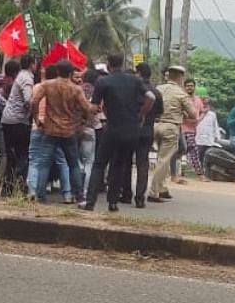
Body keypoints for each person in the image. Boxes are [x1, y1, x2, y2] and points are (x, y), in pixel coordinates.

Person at [84, 53, 155, 212]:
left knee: (99, 164)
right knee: (120, 164)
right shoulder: (135, 80)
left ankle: (90, 201)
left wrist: (95, 110)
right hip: (131, 129)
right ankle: (113, 202)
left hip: (113, 127)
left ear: (108, 64)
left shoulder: (103, 82)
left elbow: (94, 107)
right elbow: (150, 97)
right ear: (122, 63)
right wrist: (141, 114)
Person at [27, 60, 90, 203]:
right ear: (70, 73)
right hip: (69, 130)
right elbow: (86, 108)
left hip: (50, 129)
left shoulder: (47, 85)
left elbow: (34, 102)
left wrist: (37, 118)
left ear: (57, 72)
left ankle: (40, 195)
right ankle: (79, 196)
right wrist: (82, 123)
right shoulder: (76, 89)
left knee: (44, 163)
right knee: (72, 164)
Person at [150, 65, 196, 201]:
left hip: (156, 125)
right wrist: (183, 113)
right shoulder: (181, 93)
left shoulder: (158, 88)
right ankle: (153, 192)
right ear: (180, 78)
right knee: (164, 160)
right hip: (171, 127)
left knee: (161, 157)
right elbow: (193, 114)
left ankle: (162, 188)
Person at [0, 55, 37, 189]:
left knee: (11, 154)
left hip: (8, 119)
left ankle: (7, 186)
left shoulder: (20, 75)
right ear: (32, 64)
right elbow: (28, 100)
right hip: (18, 121)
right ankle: (19, 185)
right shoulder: (27, 78)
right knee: (23, 154)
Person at [133, 63, 163, 206]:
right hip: (148, 130)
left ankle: (125, 193)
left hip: (132, 128)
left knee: (125, 161)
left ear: (138, 73)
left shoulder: (133, 90)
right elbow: (159, 113)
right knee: (143, 163)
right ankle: (140, 198)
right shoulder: (156, 92)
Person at [76, 68, 100, 191]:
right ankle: (85, 190)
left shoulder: (77, 89)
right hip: (90, 128)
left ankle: (75, 184)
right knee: (89, 161)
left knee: (76, 158)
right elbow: (97, 109)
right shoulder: (96, 92)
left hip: (75, 128)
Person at [182, 84, 209, 178]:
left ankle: (199, 173)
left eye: (191, 86)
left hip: (192, 130)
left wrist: (198, 120)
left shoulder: (198, 100)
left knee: (192, 150)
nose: (189, 88)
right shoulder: (182, 98)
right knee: (188, 149)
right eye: (187, 86)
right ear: (184, 87)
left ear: (194, 87)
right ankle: (199, 174)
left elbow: (202, 113)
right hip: (181, 129)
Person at [193, 96, 219, 180]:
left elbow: (215, 126)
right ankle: (200, 174)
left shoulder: (212, 115)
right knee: (199, 156)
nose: (205, 105)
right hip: (199, 139)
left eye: (207, 103)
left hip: (209, 139)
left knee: (208, 157)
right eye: (203, 103)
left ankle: (208, 174)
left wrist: (217, 137)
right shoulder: (196, 114)